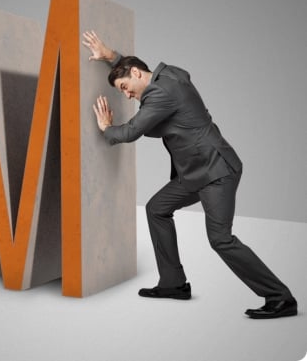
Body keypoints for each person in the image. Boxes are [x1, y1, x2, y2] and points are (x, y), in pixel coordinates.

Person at [81, 30, 297, 319]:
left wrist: (107, 128)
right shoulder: (167, 75)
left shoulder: (160, 93)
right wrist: (111, 57)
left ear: (136, 73)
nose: (127, 94)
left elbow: (131, 131)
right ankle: (173, 283)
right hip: (195, 172)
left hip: (216, 171)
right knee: (157, 209)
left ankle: (281, 298)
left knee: (220, 239)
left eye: (124, 87)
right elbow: (132, 69)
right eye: (122, 91)